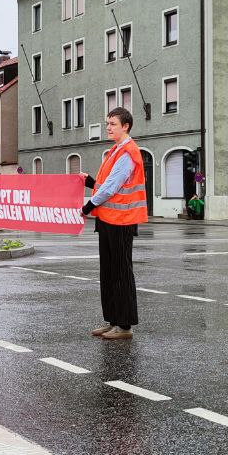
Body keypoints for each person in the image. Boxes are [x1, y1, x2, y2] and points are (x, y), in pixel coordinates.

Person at [80, 107, 148, 340]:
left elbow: (112, 187)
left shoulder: (128, 152)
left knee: (121, 273)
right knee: (108, 273)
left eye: (112, 124)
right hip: (108, 219)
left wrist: (87, 206)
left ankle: (125, 325)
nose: (108, 128)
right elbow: (107, 184)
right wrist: (91, 182)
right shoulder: (114, 151)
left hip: (122, 221)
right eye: (107, 123)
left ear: (125, 126)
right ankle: (112, 321)